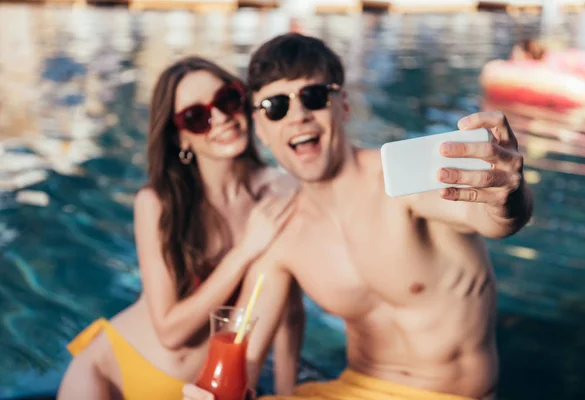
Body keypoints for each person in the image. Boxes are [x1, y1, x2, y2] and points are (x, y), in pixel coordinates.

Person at [184, 32, 533, 400]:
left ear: (343, 105)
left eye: (313, 97)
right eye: (275, 106)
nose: (299, 116)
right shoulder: (282, 227)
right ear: (261, 130)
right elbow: (245, 350)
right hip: (351, 389)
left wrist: (507, 195)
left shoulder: (402, 181)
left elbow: (498, 220)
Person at [57, 56, 304, 400]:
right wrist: (246, 249)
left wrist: (287, 393)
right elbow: (170, 331)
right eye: (196, 117)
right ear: (181, 139)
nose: (219, 118)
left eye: (227, 99)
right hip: (112, 372)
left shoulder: (280, 192)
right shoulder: (158, 202)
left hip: (209, 387)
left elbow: (289, 309)